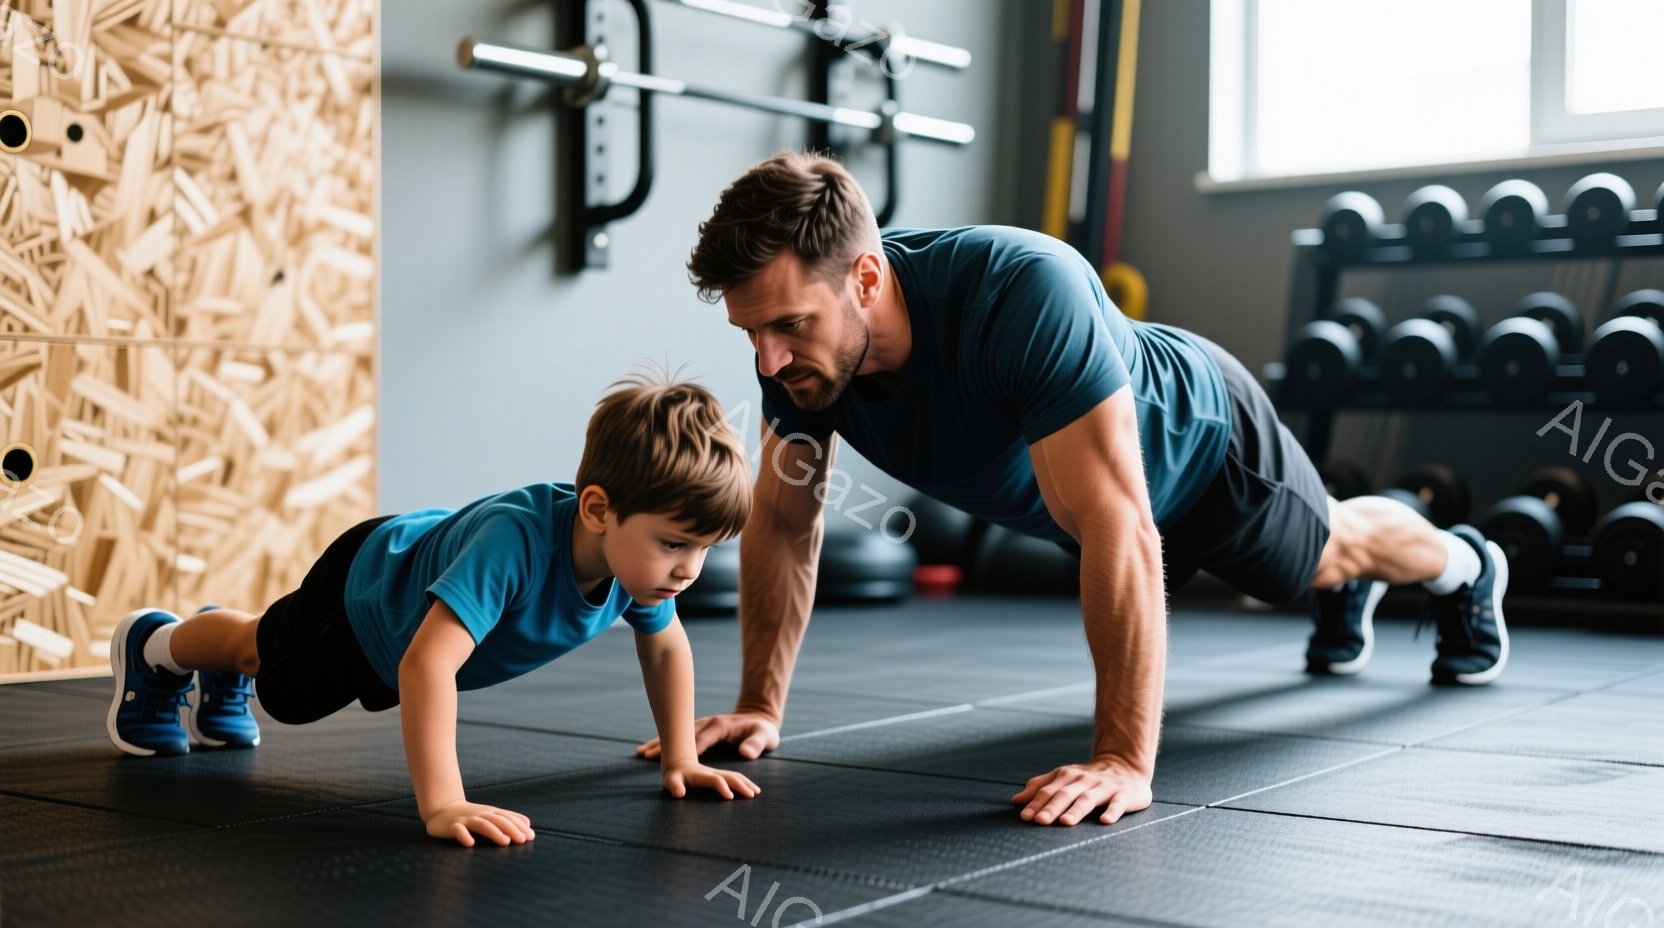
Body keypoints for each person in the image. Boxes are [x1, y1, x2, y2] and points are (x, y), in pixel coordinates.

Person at [637, 150, 1508, 829]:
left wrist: (1125, 761)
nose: (768, 359)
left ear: (866, 277)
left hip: (1203, 451)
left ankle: (1465, 568)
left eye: (789, 325)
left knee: (1327, 553)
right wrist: (759, 705)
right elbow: (786, 523)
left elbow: (1119, 523)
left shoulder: (1018, 290)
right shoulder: (804, 370)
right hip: (1101, 505)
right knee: (1304, 570)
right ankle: (1360, 587)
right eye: (751, 332)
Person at [107, 374, 762, 847]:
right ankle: (157, 647)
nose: (690, 570)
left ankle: (223, 668)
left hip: (408, 583)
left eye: (704, 548)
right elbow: (426, 665)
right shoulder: (516, 547)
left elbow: (666, 646)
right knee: (265, 659)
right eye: (675, 544)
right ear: (597, 510)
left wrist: (682, 758)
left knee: (269, 659)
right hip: (368, 592)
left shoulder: (639, 570)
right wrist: (443, 803)